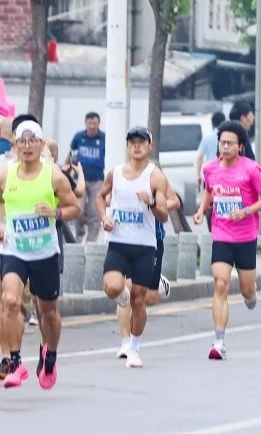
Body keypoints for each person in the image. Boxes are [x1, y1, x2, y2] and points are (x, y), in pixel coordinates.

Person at [0, 116, 81, 389]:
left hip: (44, 253)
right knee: (10, 301)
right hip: (15, 251)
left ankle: (51, 356)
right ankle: (14, 362)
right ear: (14, 143)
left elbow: (75, 208)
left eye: (32, 141)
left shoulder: (53, 175)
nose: (26, 146)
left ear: (41, 144)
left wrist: (55, 212)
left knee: (48, 313)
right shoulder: (6, 173)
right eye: (21, 141)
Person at [192, 121, 261, 360]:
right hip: (222, 235)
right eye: (222, 142)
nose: (225, 147)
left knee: (246, 289)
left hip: (246, 237)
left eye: (230, 143)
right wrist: (201, 210)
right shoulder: (210, 168)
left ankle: (251, 294)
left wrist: (246, 211)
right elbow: (209, 190)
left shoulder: (251, 169)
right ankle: (219, 342)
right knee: (220, 284)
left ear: (240, 146)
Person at [97, 126, 171, 368]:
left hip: (144, 246)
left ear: (149, 146)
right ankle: (122, 296)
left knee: (139, 300)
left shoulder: (155, 176)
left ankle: (134, 347)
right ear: (127, 146)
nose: (137, 146)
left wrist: (150, 202)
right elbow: (101, 196)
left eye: (141, 142)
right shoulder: (116, 173)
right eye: (132, 142)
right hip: (118, 243)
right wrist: (104, 218)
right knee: (112, 287)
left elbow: (163, 215)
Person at [68, 111, 106, 242]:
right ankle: (79, 234)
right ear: (86, 124)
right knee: (78, 209)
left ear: (98, 124)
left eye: (94, 123)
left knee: (95, 212)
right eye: (89, 123)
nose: (92, 126)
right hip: (80, 179)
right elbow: (71, 154)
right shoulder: (79, 137)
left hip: (97, 180)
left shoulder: (104, 138)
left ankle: (91, 242)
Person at [194, 111, 226, 192]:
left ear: (212, 123)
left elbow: (199, 157)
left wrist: (198, 175)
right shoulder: (229, 137)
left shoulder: (207, 138)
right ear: (225, 122)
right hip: (225, 175)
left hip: (210, 175)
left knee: (208, 200)